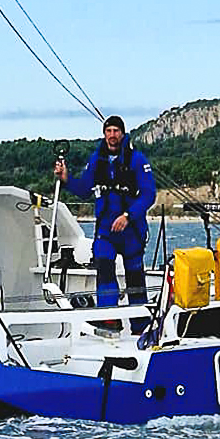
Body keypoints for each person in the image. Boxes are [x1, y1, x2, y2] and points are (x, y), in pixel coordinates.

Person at [54, 115, 156, 334]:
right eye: (108, 131)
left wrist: (128, 216)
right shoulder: (96, 160)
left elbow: (149, 195)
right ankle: (109, 319)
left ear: (122, 133)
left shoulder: (137, 160)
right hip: (106, 231)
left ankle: (140, 325)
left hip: (131, 230)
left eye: (116, 131)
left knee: (135, 276)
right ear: (104, 134)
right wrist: (66, 179)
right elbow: (84, 189)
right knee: (104, 268)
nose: (112, 135)